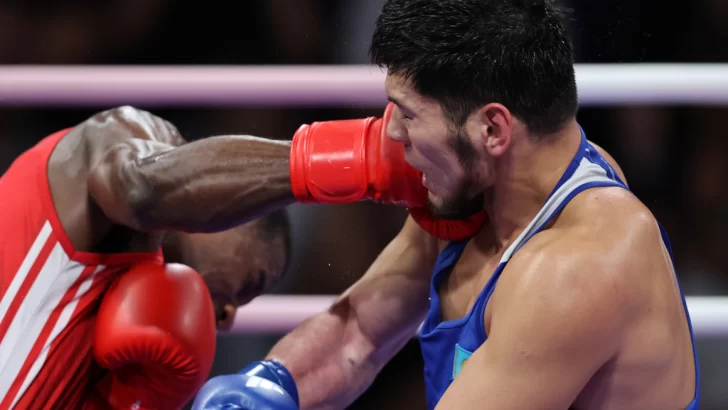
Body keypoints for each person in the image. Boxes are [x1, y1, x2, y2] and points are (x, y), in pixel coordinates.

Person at [191, 0, 700, 409]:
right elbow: (358, 336)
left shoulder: (575, 271)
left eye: (409, 113)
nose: (389, 130)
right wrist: (268, 386)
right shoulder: (479, 189)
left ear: (492, 129)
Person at [0, 106, 292, 409]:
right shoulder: (128, 134)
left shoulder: (126, 312)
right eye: (250, 283)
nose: (229, 316)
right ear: (231, 209)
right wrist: (315, 161)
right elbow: (134, 188)